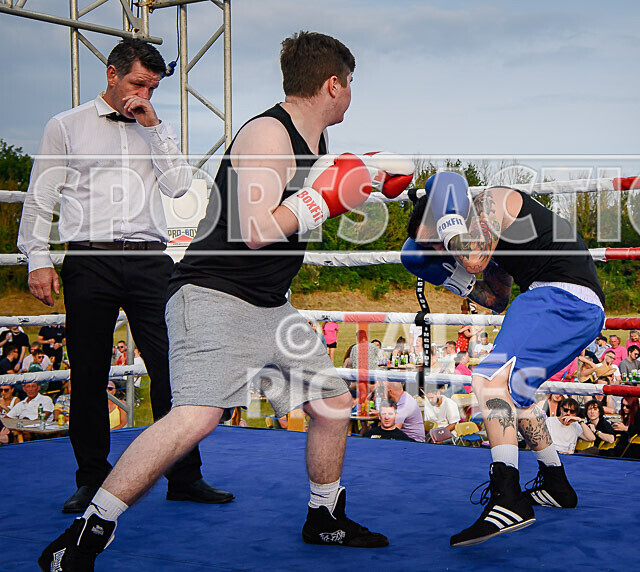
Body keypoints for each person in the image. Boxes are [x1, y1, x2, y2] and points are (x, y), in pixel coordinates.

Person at [39, 32, 409, 568]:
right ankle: (86, 533)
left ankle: (324, 516)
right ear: (334, 83)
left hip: (269, 302)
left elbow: (299, 214)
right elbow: (257, 229)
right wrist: (328, 195)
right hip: (213, 295)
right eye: (350, 83)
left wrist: (357, 185)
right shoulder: (266, 133)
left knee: (332, 406)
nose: (351, 93)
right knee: (195, 416)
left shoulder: (317, 143)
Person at [19, 38, 231, 516]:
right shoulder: (65, 125)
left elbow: (180, 187)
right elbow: (40, 196)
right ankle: (92, 479)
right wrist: (38, 258)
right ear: (112, 74)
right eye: (139, 83)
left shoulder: (157, 127)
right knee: (89, 373)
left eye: (153, 87)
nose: (145, 93)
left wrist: (154, 128)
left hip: (150, 258)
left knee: (172, 369)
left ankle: (184, 475)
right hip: (87, 260)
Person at [403, 171, 604, 545]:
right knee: (517, 396)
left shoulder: (491, 201)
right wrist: (457, 281)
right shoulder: (486, 235)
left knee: (487, 379)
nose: (443, 253)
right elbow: (497, 297)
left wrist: (450, 229)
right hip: (570, 304)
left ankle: (508, 497)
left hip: (560, 297)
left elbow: (474, 258)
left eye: (436, 243)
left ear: (445, 214)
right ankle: (556, 483)